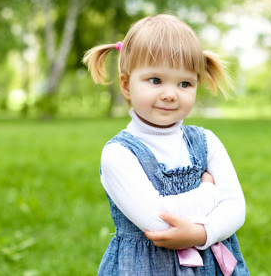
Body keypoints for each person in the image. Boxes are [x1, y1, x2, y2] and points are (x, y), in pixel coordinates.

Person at [83, 14, 249, 275]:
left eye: (184, 83)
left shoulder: (207, 142)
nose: (170, 94)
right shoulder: (119, 154)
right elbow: (157, 222)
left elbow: (236, 208)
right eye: (155, 80)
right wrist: (208, 194)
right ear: (126, 85)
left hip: (210, 267)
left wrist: (201, 233)